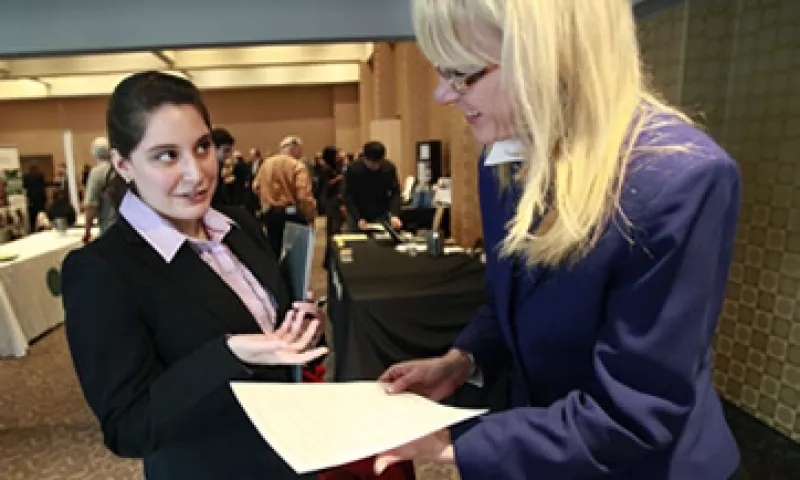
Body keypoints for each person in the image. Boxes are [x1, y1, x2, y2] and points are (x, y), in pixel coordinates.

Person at [374, 1, 741, 479]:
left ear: (549, 59)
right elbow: (513, 299)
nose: (443, 94)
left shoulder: (679, 181)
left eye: (462, 73)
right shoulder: (506, 157)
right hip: (547, 447)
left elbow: (635, 412)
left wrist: (452, 442)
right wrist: (461, 361)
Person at [62, 71, 327, 480]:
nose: (196, 173)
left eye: (201, 147)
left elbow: (272, 336)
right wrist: (229, 354)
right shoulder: (103, 270)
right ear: (123, 164)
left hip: (293, 455)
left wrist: (302, 326)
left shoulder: (237, 225)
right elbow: (128, 428)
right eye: (167, 155)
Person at [252, 136, 316, 257]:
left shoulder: (266, 163)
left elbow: (255, 187)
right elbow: (303, 196)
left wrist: (268, 197)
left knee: (273, 250)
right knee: (295, 254)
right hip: (292, 213)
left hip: (270, 213)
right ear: (295, 148)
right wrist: (310, 216)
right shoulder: (297, 166)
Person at [343, 141, 402, 231]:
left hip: (381, 213)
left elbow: (395, 192)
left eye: (378, 163)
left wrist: (394, 215)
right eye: (372, 163)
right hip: (358, 212)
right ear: (364, 158)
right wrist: (358, 217)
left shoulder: (389, 168)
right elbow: (348, 195)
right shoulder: (353, 169)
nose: (375, 166)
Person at [83, 137, 117, 242]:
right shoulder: (122, 169)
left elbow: (91, 205)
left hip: (108, 227)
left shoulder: (96, 173)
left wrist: (87, 231)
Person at [210, 127, 235, 206]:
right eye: (225, 151)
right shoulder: (208, 171)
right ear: (213, 148)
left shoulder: (219, 166)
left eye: (229, 151)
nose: (228, 155)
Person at [22, 164, 46, 232]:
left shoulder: (25, 177)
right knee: (41, 214)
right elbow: (42, 187)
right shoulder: (40, 175)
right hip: (40, 198)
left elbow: (25, 187)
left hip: (31, 198)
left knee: (32, 215)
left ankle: (33, 229)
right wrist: (45, 198)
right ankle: (41, 227)